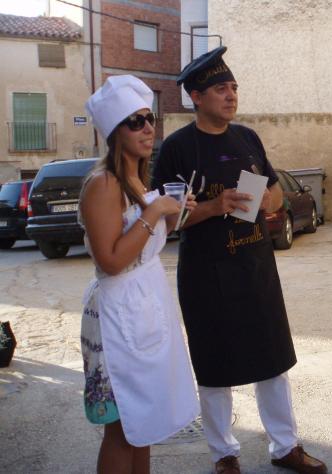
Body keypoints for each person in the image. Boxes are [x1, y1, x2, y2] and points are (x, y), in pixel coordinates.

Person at [152, 47, 327, 474]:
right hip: (205, 275)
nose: (231, 95)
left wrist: (270, 199)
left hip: (256, 268)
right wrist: (215, 207)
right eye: (220, 89)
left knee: (273, 360)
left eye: (233, 87)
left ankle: (285, 447)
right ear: (196, 97)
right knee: (214, 366)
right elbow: (166, 221)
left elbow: (275, 188)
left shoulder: (247, 138)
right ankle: (224, 455)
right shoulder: (176, 149)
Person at [80, 75, 199, 473]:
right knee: (122, 428)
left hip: (145, 309)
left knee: (145, 422)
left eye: (150, 118)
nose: (148, 128)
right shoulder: (103, 184)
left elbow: (142, 244)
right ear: (116, 131)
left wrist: (173, 212)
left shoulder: (135, 180)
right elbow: (111, 260)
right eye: (136, 121)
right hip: (118, 316)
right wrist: (155, 211)